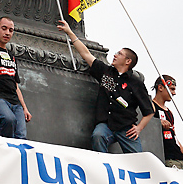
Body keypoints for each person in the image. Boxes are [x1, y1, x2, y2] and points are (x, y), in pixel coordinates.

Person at [56, 22, 153, 153]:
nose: (115, 55)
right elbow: (86, 54)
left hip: (126, 128)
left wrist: (139, 128)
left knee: (139, 159)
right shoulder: (105, 72)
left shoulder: (136, 83)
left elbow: (149, 111)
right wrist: (70, 33)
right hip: (106, 125)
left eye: (119, 54)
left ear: (128, 61)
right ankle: (104, 166)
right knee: (98, 136)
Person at [152, 75, 183, 168]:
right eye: (172, 89)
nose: (174, 93)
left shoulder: (170, 113)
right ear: (160, 87)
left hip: (180, 160)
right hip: (166, 160)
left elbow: (174, 136)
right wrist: (157, 123)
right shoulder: (150, 106)